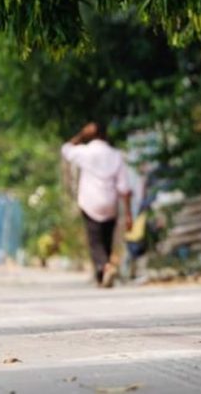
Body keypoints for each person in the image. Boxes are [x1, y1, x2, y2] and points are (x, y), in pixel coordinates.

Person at [62, 122, 132, 287]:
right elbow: (124, 188)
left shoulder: (85, 152)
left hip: (90, 200)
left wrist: (81, 135)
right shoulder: (115, 155)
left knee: (95, 240)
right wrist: (128, 213)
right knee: (107, 238)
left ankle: (105, 267)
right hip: (110, 202)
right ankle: (103, 273)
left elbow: (66, 149)